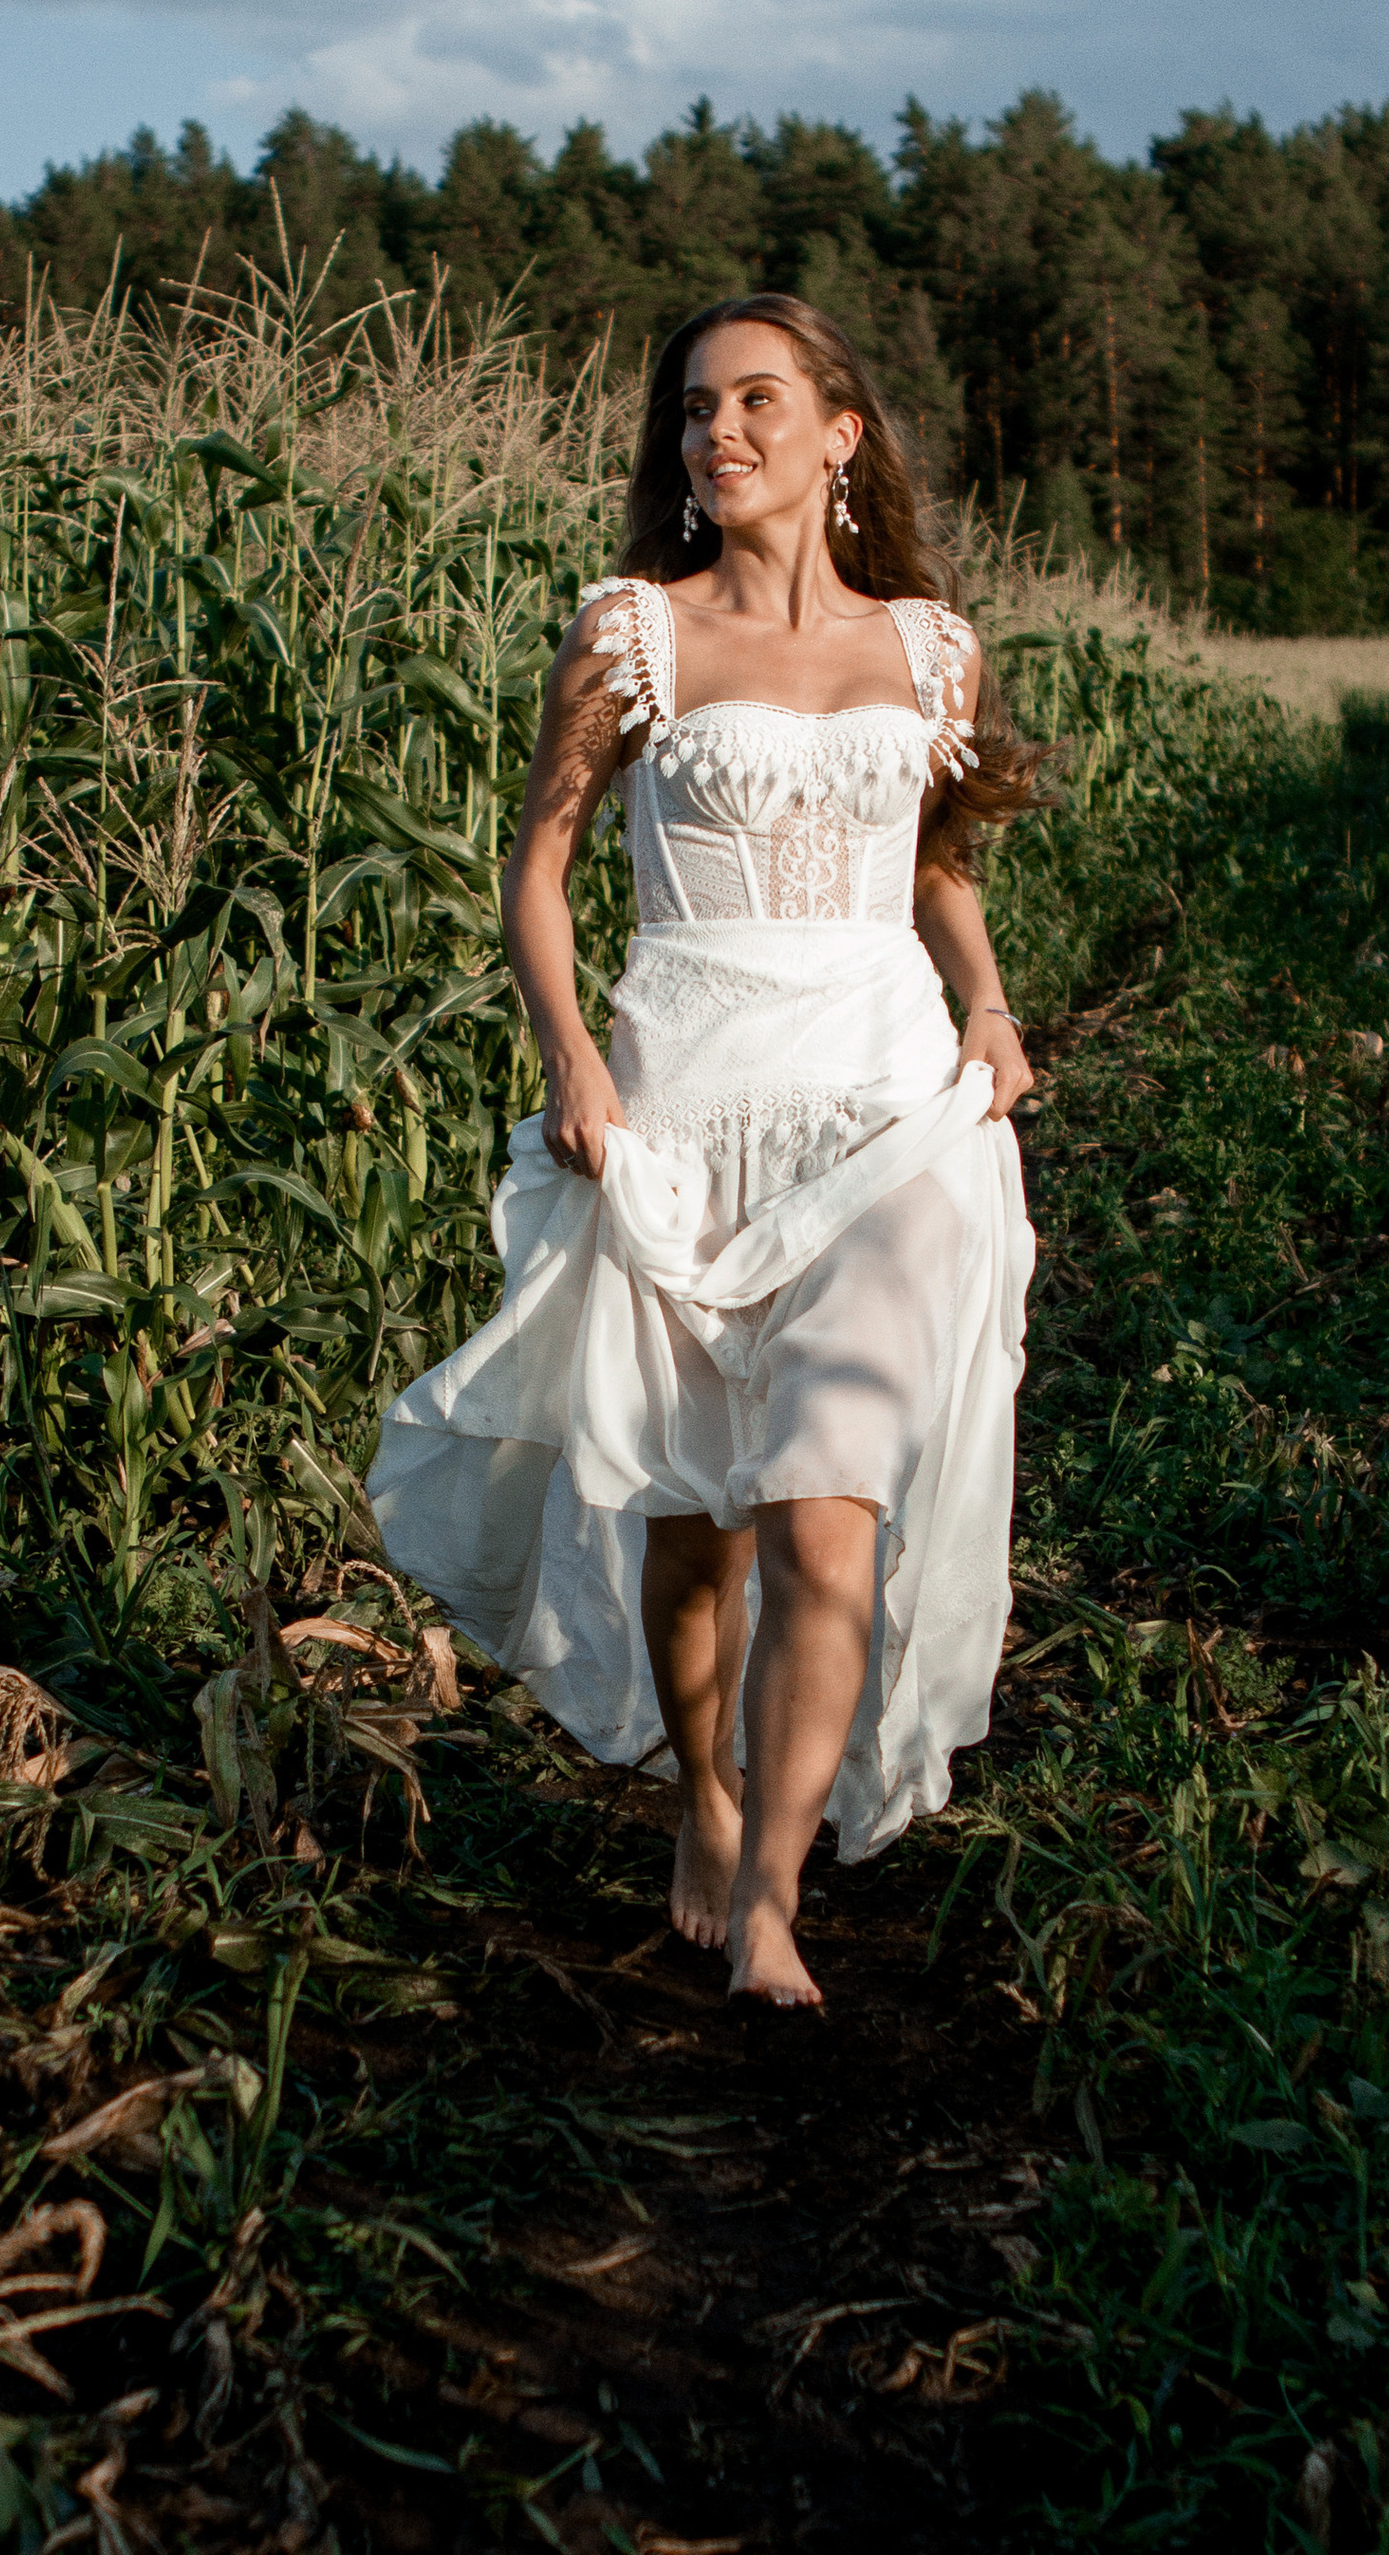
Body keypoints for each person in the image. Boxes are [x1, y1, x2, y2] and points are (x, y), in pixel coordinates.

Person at [369, 294, 1040, 2007]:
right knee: (695, 1525)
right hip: (685, 1096)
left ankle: (773, 1893)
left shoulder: (930, 648)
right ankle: (705, 1787)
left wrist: (987, 1003)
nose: (716, 434)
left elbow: (930, 858)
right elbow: (541, 868)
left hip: (883, 1104)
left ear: (841, 434)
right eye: (692, 412)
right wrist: (574, 1054)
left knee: (829, 1514)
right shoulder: (633, 635)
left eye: (755, 402)